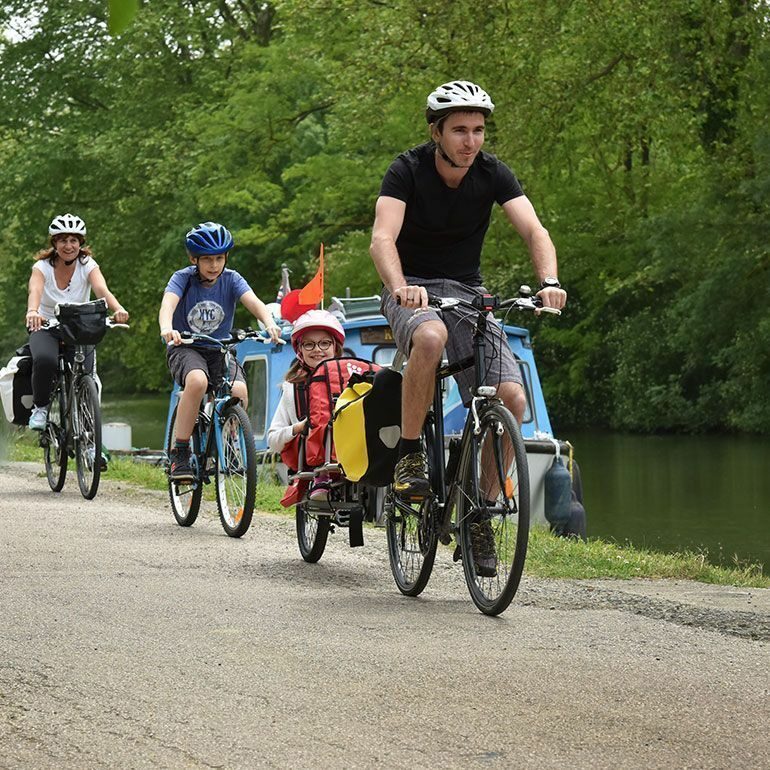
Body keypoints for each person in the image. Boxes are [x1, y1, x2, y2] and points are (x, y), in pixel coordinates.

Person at [370, 79, 568, 501]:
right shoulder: (406, 169)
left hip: (466, 293)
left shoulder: (493, 173)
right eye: (460, 130)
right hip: (410, 287)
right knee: (429, 335)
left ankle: (482, 507)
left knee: (512, 397)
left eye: (478, 131)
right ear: (436, 132)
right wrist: (401, 286)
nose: (470, 141)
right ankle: (410, 455)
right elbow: (382, 239)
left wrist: (548, 282)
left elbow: (535, 230)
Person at [159, 221, 282, 482]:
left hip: (219, 348)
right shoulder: (182, 279)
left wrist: (269, 323)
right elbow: (168, 304)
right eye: (207, 260)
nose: (214, 265)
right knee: (197, 381)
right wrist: (167, 328)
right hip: (186, 347)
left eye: (219, 258)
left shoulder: (232, 279)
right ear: (194, 259)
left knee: (239, 391)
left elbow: (254, 302)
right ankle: (179, 452)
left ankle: (228, 441)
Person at [25, 213, 129, 430]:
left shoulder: (88, 264)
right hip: (46, 325)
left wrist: (117, 308)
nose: (68, 245)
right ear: (54, 243)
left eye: (73, 240)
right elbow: (35, 289)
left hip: (79, 327)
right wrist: (33, 311)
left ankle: (90, 441)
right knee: (45, 361)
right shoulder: (42, 267)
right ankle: (41, 408)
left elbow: (102, 289)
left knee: (87, 376)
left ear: (80, 243)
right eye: (63, 240)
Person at [266, 309, 345, 502]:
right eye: (309, 344)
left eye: (324, 343)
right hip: (311, 457)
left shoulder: (352, 380)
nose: (317, 349)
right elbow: (273, 441)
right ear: (300, 350)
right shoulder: (293, 389)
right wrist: (299, 427)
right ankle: (321, 474)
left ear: (335, 347)